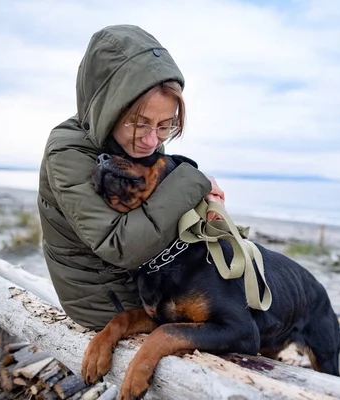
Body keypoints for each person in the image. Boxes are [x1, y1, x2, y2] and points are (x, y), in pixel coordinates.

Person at [37, 25, 225, 331]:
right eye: (139, 123)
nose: (152, 141)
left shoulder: (136, 140)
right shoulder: (67, 150)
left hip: (148, 281)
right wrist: (193, 181)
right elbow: (120, 246)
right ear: (110, 107)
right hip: (106, 301)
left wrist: (206, 199)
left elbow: (158, 209)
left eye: (165, 126)